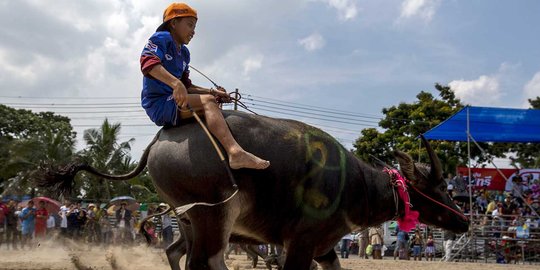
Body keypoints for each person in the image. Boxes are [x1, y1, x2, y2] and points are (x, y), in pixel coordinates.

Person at [140, 2, 270, 170]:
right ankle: (235, 153)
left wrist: (213, 91)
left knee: (211, 100)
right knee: (208, 102)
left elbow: (187, 86)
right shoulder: (162, 38)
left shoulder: (185, 54)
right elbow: (147, 62)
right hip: (160, 103)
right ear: (173, 23)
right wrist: (175, 83)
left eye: (195, 27)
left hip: (175, 99)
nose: (193, 31)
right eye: (189, 25)